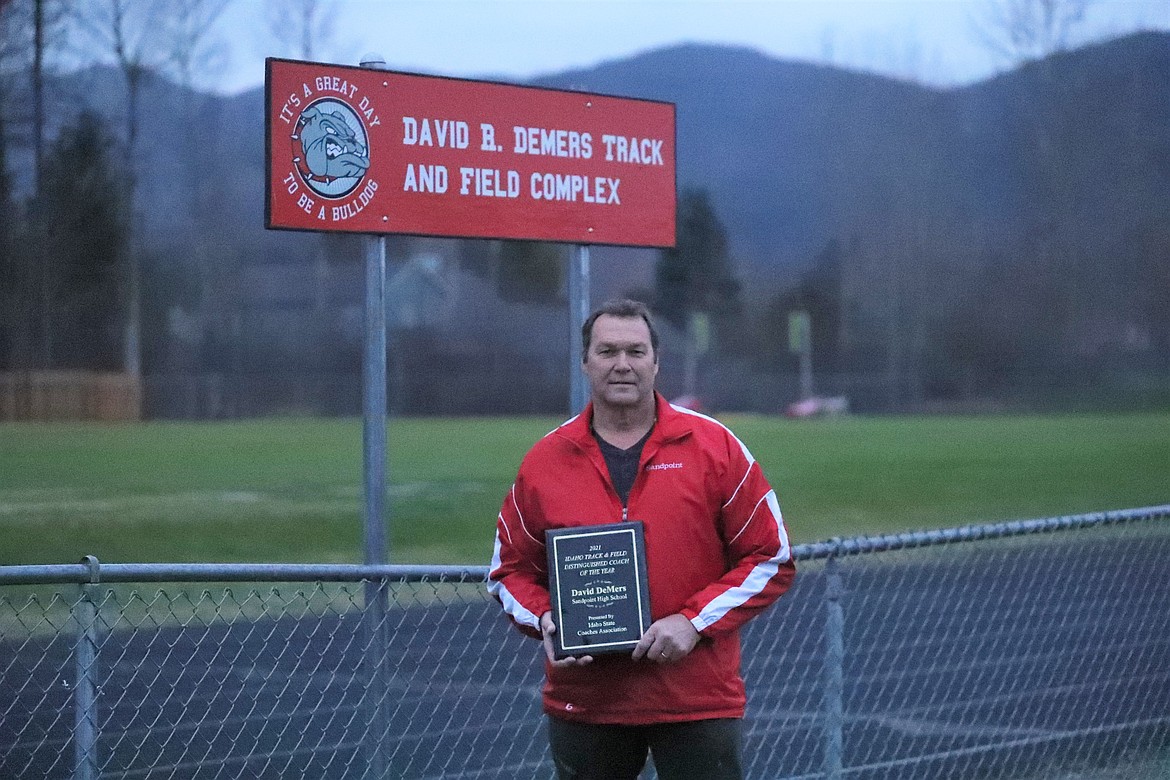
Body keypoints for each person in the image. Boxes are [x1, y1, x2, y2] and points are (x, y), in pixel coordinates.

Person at [487, 299, 795, 780]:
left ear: (657, 360)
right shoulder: (545, 461)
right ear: (586, 361)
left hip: (696, 701)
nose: (622, 364)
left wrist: (692, 623)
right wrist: (548, 620)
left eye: (636, 350)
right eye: (607, 351)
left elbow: (770, 557)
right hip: (587, 703)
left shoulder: (716, 447)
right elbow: (509, 571)